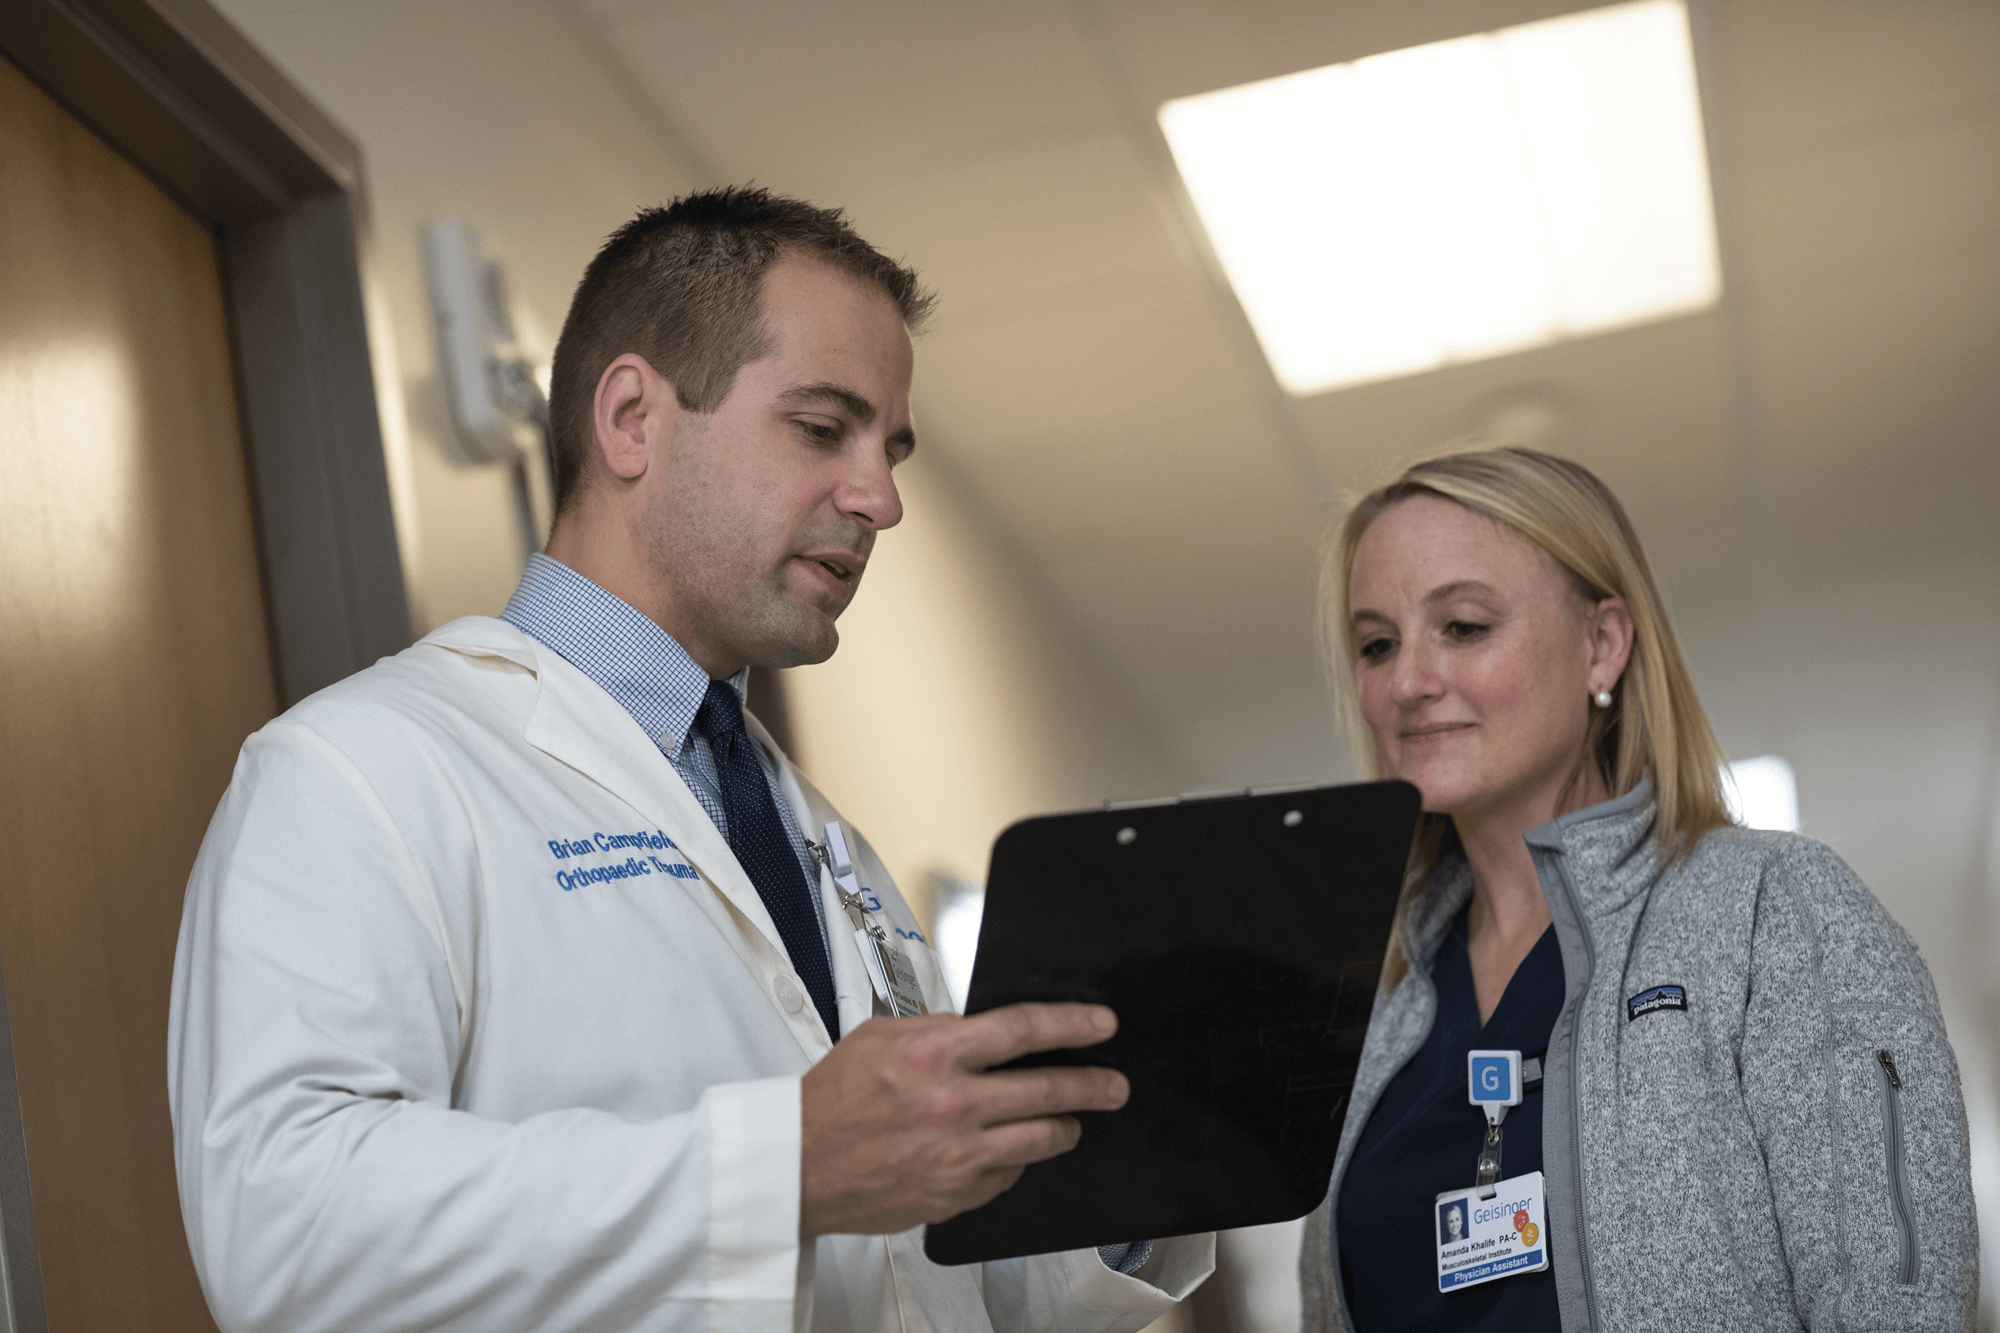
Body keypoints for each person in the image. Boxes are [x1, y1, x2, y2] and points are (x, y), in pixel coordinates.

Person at [169, 187, 1211, 1333]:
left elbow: (921, 1273)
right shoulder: (361, 772)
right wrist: (785, 1163)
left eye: (889, 448)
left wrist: (1130, 1164)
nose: (881, 499)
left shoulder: (815, 839)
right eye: (823, 429)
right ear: (630, 419)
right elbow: (287, 1234)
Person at [1297, 447, 1977, 1332]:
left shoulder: (1771, 912)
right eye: (1377, 643)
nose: (1408, 683)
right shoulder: (1371, 1004)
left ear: (1602, 644)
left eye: (1463, 625)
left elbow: (1896, 1305)